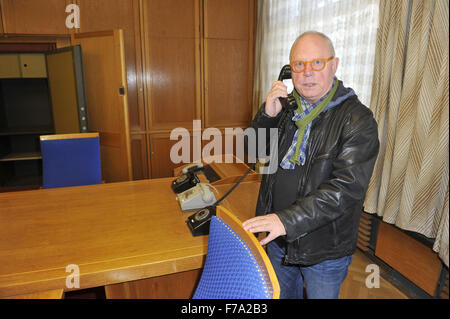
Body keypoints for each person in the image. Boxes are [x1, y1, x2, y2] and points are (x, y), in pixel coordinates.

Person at [242, 31, 379, 299]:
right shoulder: (287, 108)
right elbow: (251, 153)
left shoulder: (357, 120)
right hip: (278, 239)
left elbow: (345, 190)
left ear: (334, 65)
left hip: (322, 250)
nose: (307, 73)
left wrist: (286, 220)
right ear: (289, 70)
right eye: (298, 65)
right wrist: (267, 117)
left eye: (317, 63)